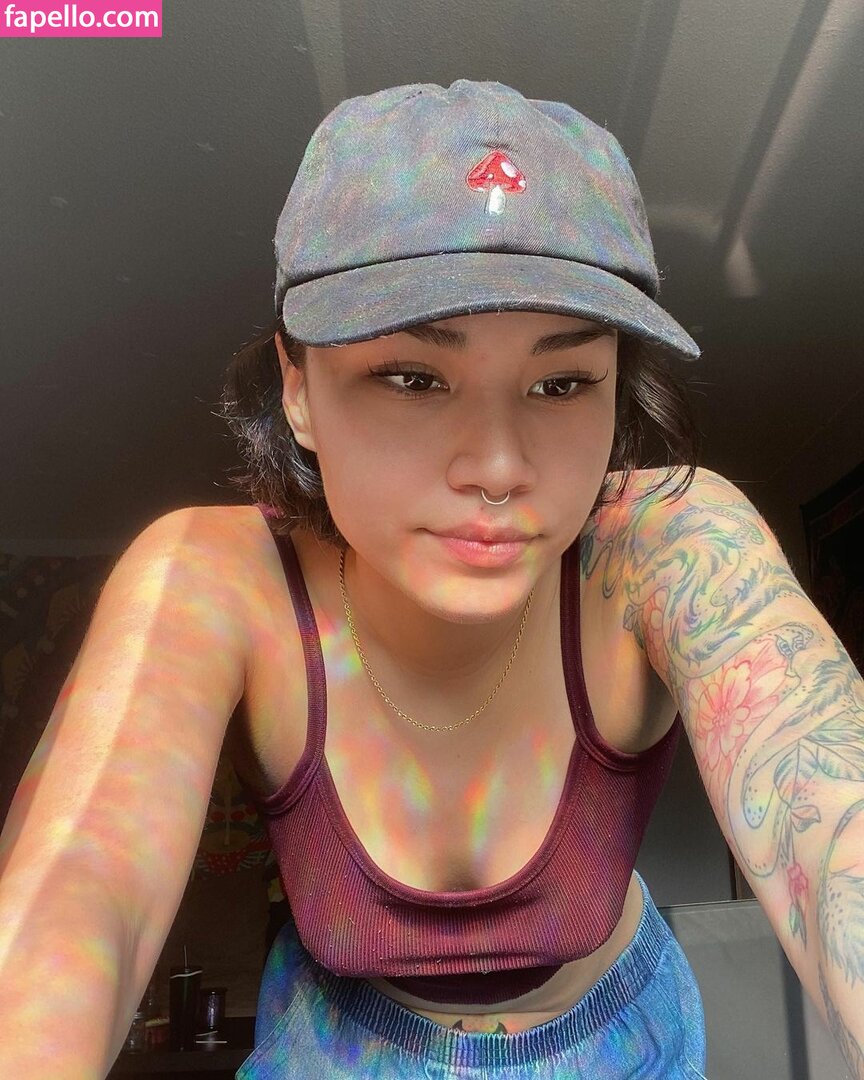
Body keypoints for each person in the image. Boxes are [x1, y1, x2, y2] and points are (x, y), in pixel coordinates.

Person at [0, 80, 862, 1080]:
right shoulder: (216, 577)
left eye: (562, 382)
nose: (497, 467)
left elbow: (831, 817)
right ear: (298, 387)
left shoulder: (669, 542)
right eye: (412, 378)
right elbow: (80, 886)